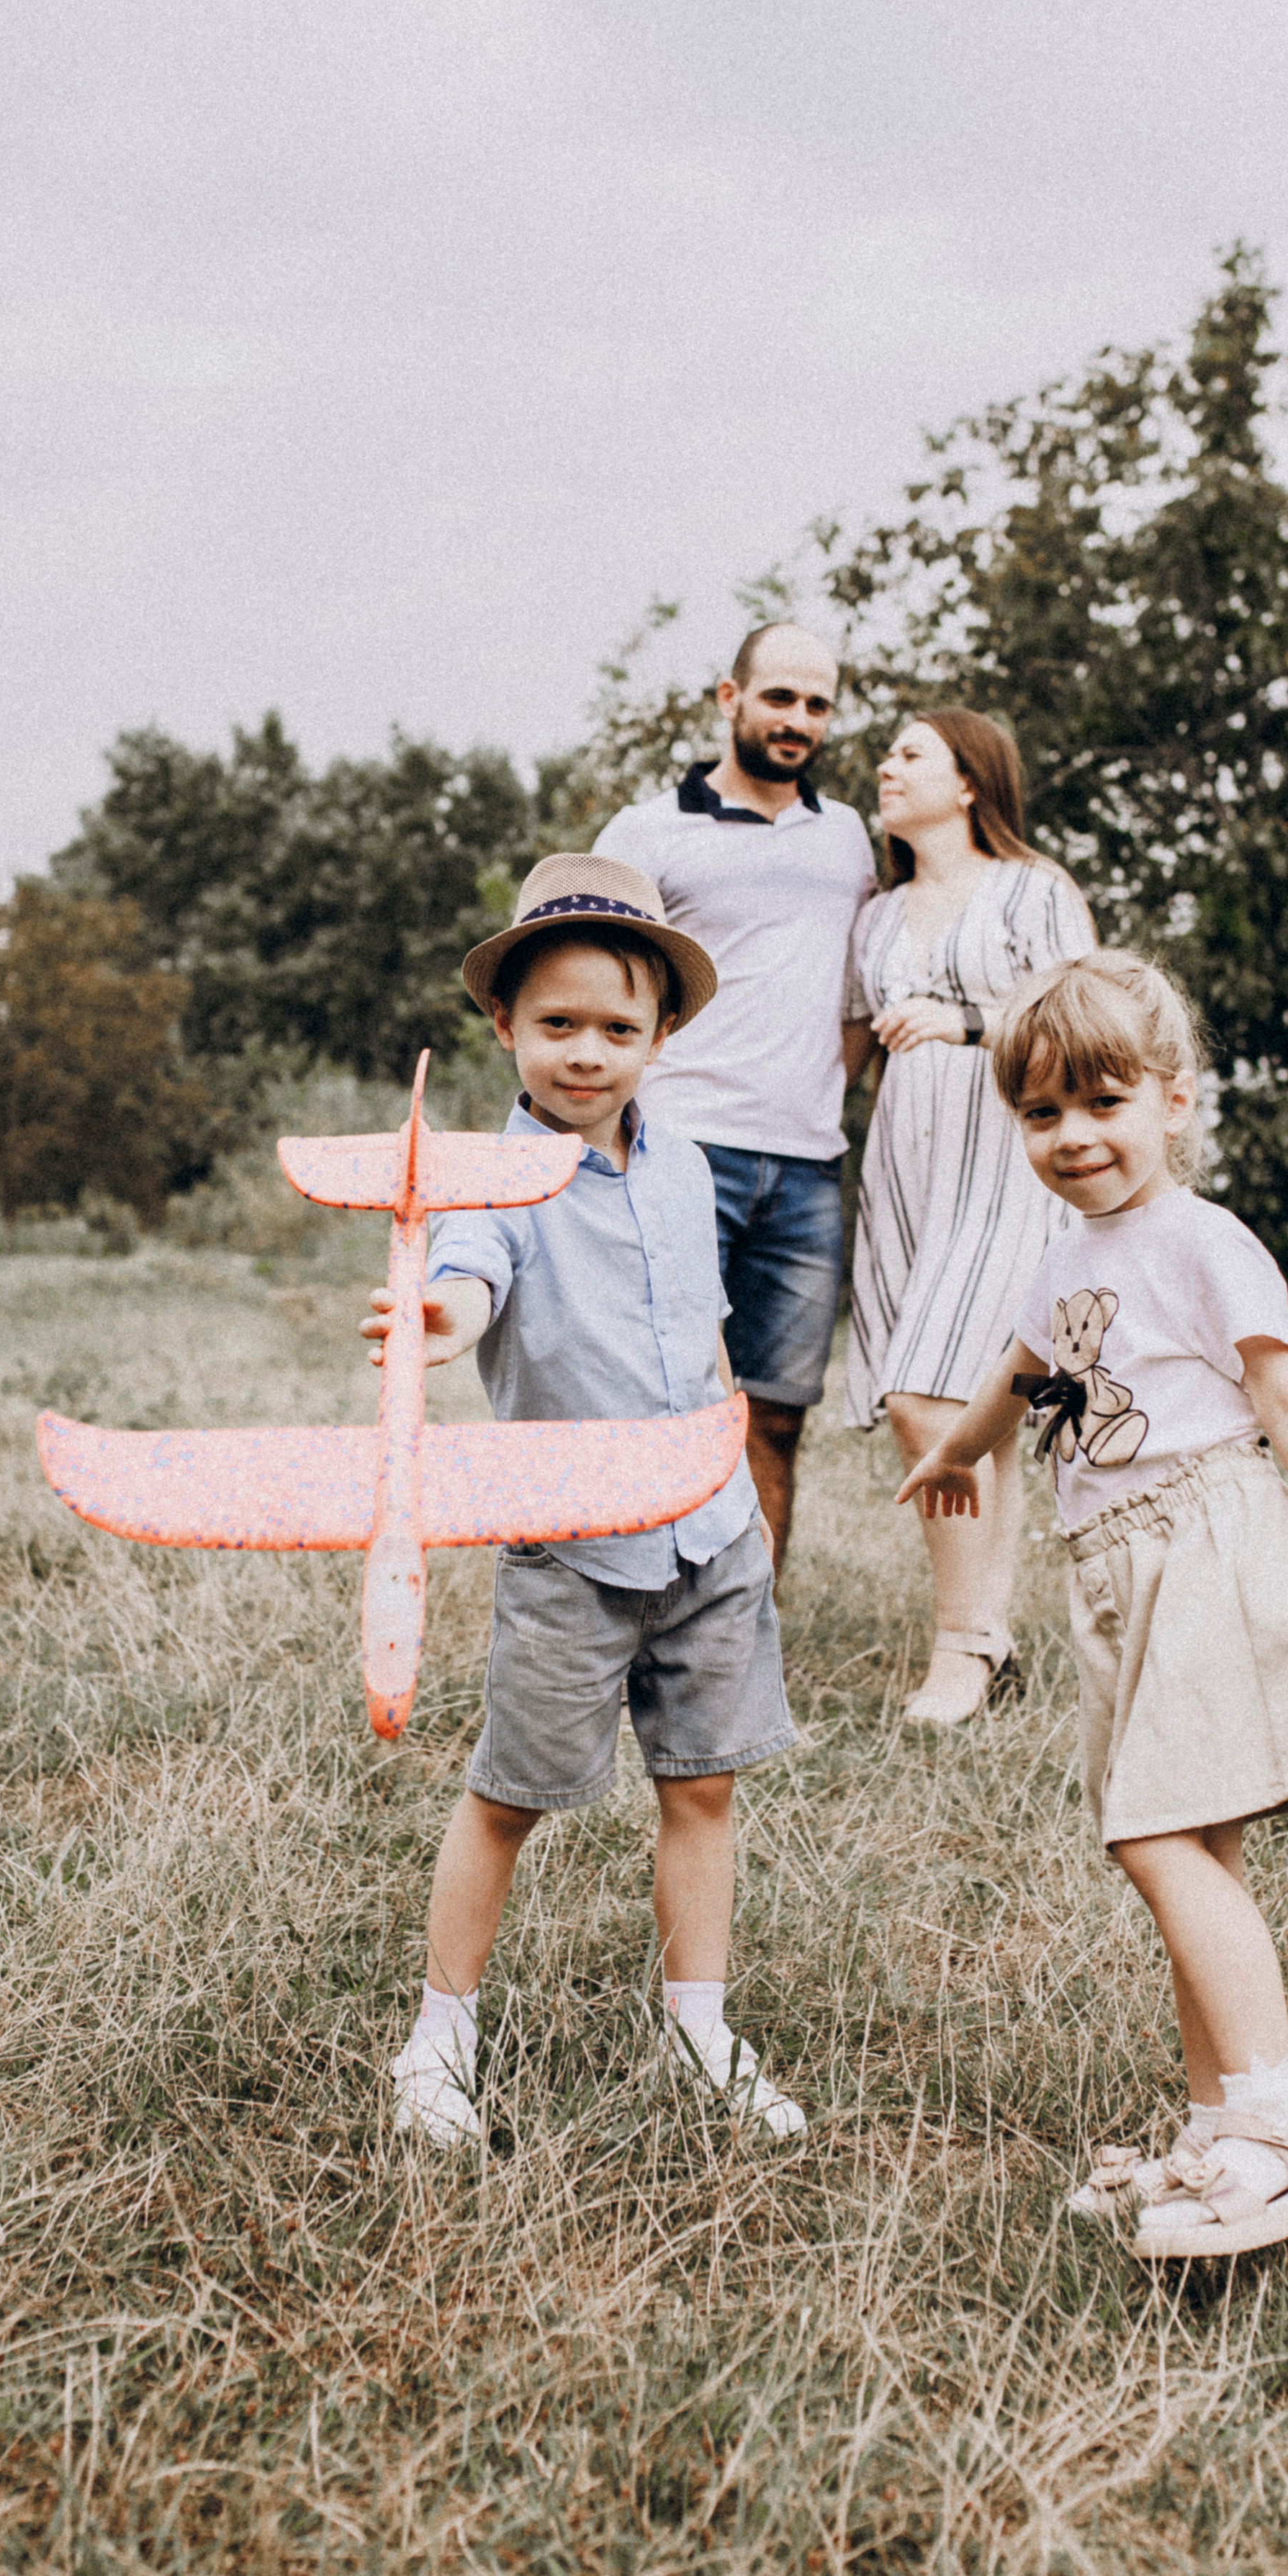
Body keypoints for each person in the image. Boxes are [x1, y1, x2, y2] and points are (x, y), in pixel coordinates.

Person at [898, 949, 1288, 2260]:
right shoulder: (1068, 1250)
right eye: (1042, 1114)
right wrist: (961, 1448)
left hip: (1209, 1538)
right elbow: (1027, 1371)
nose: (1075, 1137)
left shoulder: (1205, 1242)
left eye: (1104, 1102)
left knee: (1152, 1837)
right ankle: (1217, 2131)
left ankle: (1284, 2130)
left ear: (1175, 1099)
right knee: (1195, 1845)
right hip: (1114, 1564)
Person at [368, 853, 806, 2150]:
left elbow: (709, 1334)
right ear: (504, 1026)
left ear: (663, 1035)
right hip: (572, 1544)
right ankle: (437, 2043)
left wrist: (742, 1480)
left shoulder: (682, 1165)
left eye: (619, 1029)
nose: (587, 1055)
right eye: (557, 1025)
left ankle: (697, 2028)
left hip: (711, 1529)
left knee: (704, 1787)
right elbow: (471, 1271)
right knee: (512, 1795)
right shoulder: (492, 1179)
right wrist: (438, 1321)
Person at [593, 623, 875, 1575]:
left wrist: (819, 1088)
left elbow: (855, 996)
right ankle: (634, 1610)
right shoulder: (646, 831)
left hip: (805, 1169)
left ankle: (746, 1627)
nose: (798, 720)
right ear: (730, 698)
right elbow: (593, 992)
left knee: (779, 1413)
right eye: (780, 698)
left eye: (818, 703)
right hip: (679, 1154)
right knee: (664, 1400)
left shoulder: (845, 840)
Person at [840, 710, 1094, 1723]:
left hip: (1009, 1165)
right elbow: (850, 1051)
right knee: (973, 1406)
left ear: (970, 783)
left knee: (925, 1397)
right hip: (904, 1171)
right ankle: (994, 1639)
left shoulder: (1036, 892)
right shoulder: (876, 916)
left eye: (910, 756)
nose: (885, 770)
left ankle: (960, 1650)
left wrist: (969, 1023)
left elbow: (1088, 1016)